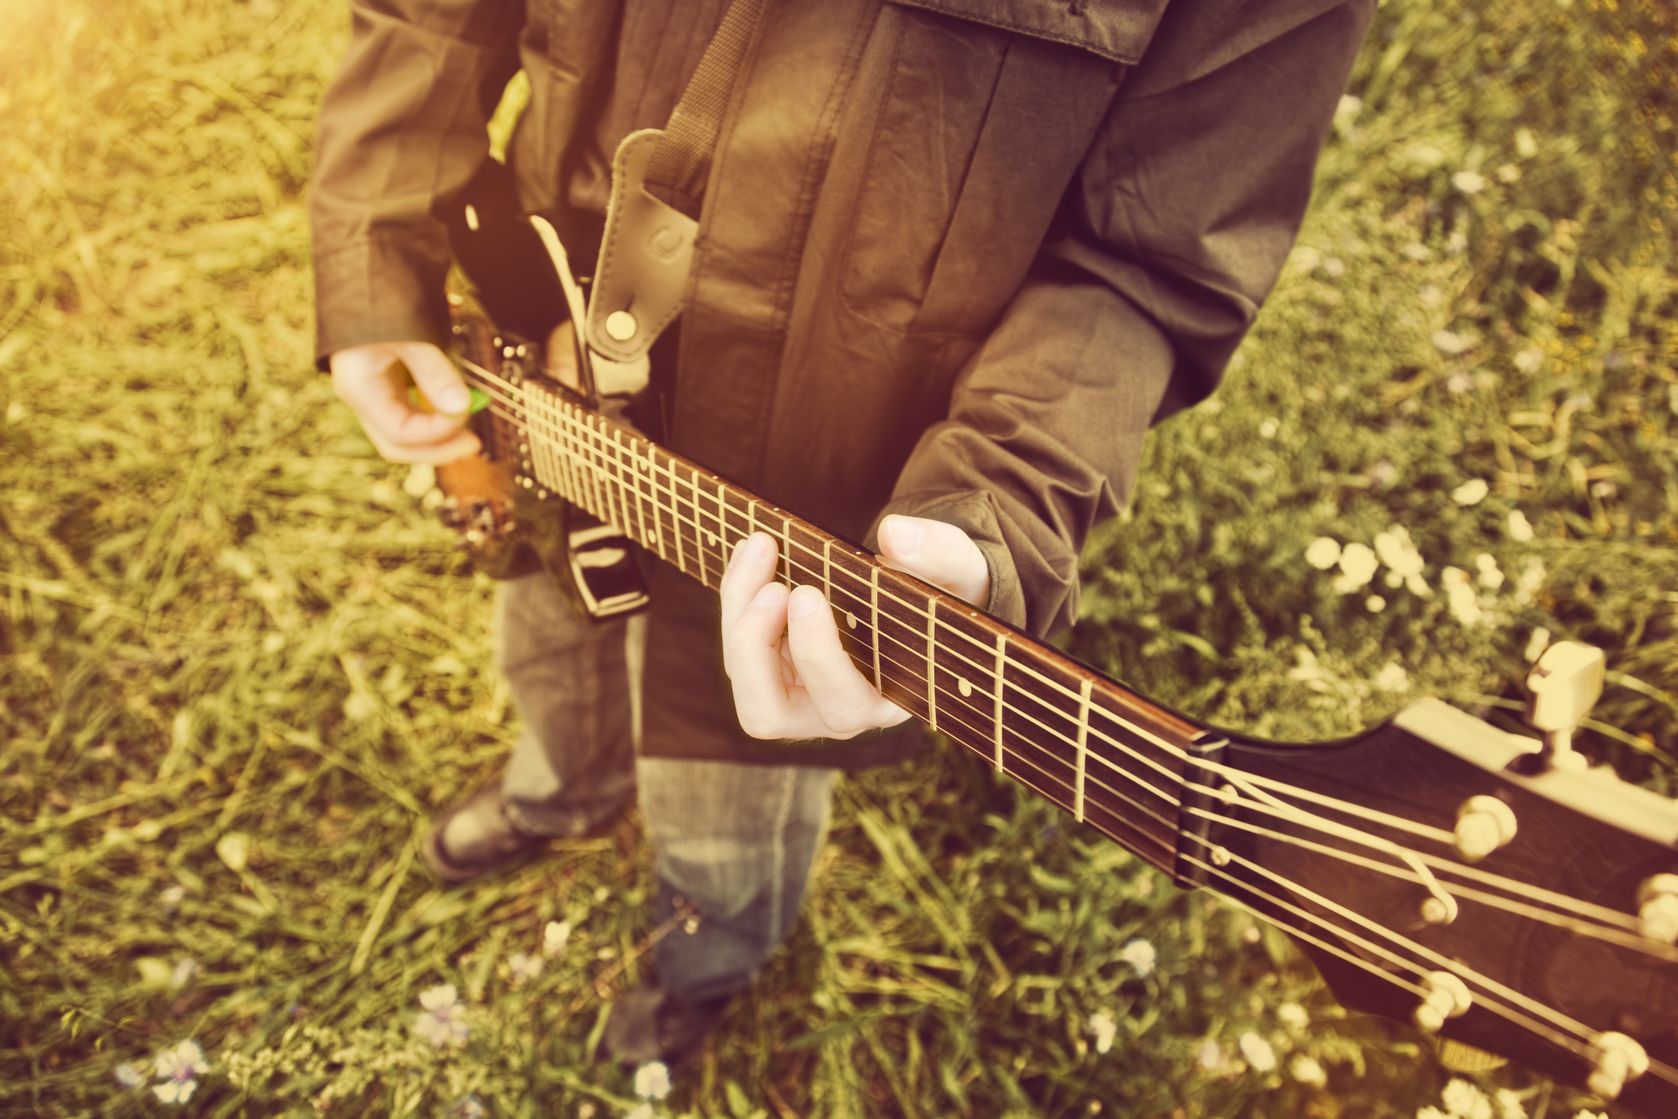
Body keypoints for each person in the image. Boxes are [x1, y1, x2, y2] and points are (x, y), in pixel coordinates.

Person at [311, 0, 1374, 1068]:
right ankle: (564, 790)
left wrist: (995, 508)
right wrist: (375, 231)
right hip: (539, 348)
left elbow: (1149, 260)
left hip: (816, 498)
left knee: (727, 817)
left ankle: (704, 962)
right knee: (543, 644)